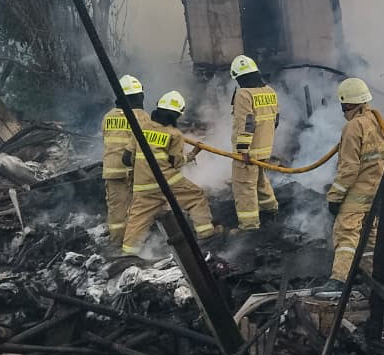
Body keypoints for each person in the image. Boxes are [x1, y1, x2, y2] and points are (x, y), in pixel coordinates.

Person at [318, 77, 384, 297]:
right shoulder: (378, 120)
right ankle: (373, 279)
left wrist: (334, 197)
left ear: (346, 104)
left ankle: (339, 281)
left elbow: (349, 169)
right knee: (370, 237)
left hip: (358, 192)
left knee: (346, 234)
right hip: (377, 190)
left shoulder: (353, 127)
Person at [122, 90, 218, 257]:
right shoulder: (174, 134)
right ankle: (206, 234)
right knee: (196, 196)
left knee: (137, 219)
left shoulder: (141, 128)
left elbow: (126, 158)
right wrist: (190, 157)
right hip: (167, 181)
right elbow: (175, 162)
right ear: (176, 114)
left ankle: (129, 254)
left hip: (142, 185)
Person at [228, 54, 280, 232]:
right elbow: (276, 120)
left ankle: (249, 226)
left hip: (247, 152)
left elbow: (246, 123)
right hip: (264, 150)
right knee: (259, 180)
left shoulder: (244, 94)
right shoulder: (270, 91)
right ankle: (270, 209)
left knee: (244, 187)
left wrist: (242, 150)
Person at [101, 74, 150, 248]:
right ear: (138, 96)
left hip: (112, 171)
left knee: (117, 212)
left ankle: (116, 244)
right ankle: (137, 244)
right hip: (133, 171)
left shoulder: (108, 116)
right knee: (140, 208)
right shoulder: (140, 116)